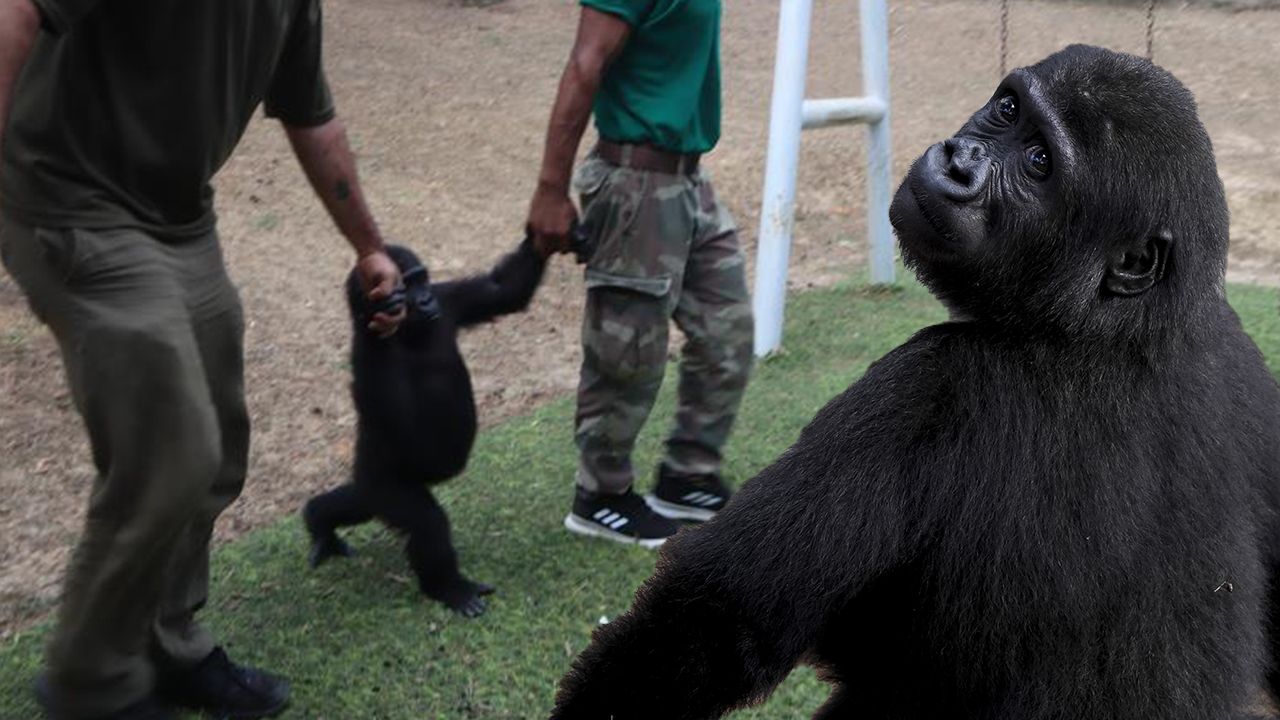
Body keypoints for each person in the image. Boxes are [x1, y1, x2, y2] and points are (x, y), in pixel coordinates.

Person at [0, 1, 407, 718]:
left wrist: (368, 244)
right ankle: (89, 683)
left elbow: (312, 114)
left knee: (216, 447)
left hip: (180, 217)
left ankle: (165, 641)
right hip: (67, 202)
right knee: (170, 453)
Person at [527, 0, 754, 548]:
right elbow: (587, 63)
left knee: (729, 329)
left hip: (689, 179)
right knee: (627, 351)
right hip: (636, 183)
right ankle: (600, 495)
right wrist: (551, 190)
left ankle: (687, 476)